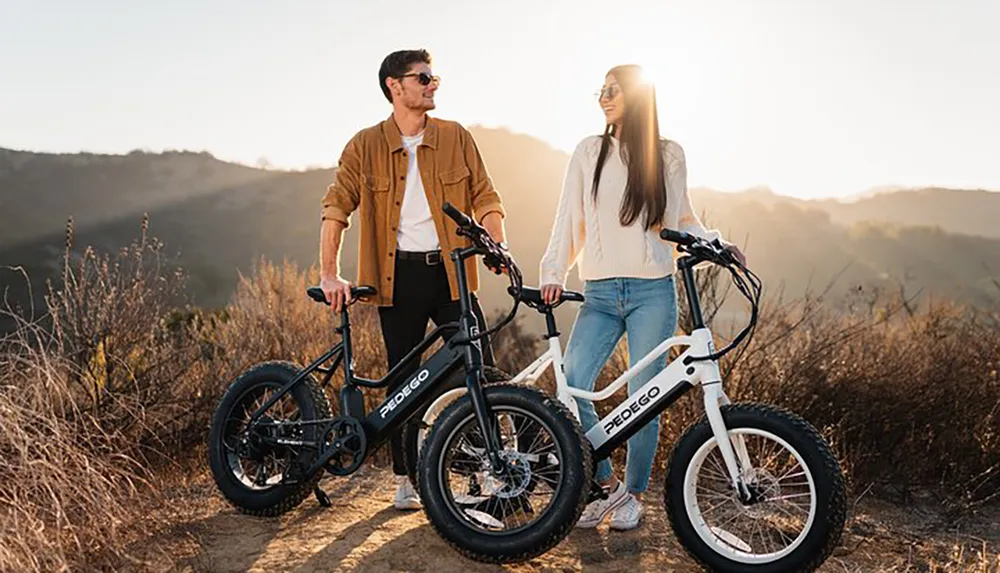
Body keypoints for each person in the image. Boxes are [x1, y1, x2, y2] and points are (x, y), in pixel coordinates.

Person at [538, 64, 746, 530]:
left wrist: (717, 243)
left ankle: (633, 495)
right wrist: (553, 271)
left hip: (653, 290)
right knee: (572, 385)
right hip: (599, 292)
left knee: (644, 395)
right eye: (601, 90)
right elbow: (568, 217)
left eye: (612, 90)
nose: (603, 97)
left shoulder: (668, 154)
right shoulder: (588, 151)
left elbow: (682, 217)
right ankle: (605, 485)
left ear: (636, 96)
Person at [319, 49, 510, 511]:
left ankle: (491, 471)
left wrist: (496, 246)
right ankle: (405, 478)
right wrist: (329, 273)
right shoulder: (364, 145)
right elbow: (336, 207)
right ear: (394, 85)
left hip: (452, 273)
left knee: (479, 370)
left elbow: (485, 195)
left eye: (434, 77)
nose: (432, 85)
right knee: (403, 379)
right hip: (396, 276)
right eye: (423, 77)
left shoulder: (455, 137)